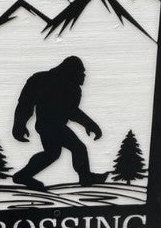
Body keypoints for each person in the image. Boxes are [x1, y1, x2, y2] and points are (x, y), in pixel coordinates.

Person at [12, 56, 109, 191]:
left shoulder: (67, 86)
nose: (84, 76)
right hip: (51, 125)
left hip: (48, 125)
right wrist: (19, 124)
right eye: (81, 72)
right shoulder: (44, 80)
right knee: (78, 148)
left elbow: (71, 111)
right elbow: (26, 103)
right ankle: (86, 178)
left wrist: (90, 124)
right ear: (71, 71)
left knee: (52, 154)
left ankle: (23, 175)